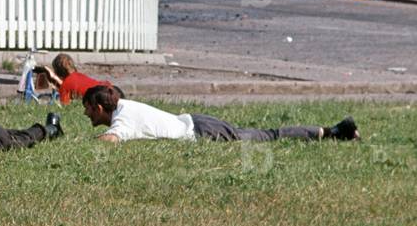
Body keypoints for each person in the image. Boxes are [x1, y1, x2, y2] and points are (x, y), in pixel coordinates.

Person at [81, 85, 359, 143]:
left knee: (268, 136)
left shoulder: (123, 120)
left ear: (101, 108)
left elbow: (112, 140)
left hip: (201, 132)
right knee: (260, 134)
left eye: (88, 108)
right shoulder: (126, 106)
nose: (85, 113)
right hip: (197, 121)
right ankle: (333, 132)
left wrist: (86, 145)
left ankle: (333, 132)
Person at [41, 53, 113, 105]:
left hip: (99, 97)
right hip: (108, 87)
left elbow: (65, 106)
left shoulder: (65, 86)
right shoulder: (80, 75)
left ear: (58, 72)